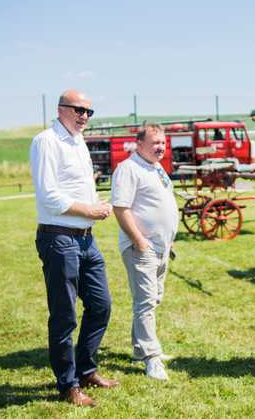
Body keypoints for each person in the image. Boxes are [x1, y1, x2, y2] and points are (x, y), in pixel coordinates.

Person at [30, 89, 118, 407]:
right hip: (59, 238)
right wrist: (90, 210)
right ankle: (68, 385)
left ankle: (86, 370)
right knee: (65, 316)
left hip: (85, 239)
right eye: (78, 110)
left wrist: (95, 206)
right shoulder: (46, 141)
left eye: (88, 112)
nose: (84, 116)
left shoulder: (77, 141)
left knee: (101, 305)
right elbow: (48, 195)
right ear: (61, 109)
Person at [111, 123, 179, 381]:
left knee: (153, 299)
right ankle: (152, 358)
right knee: (146, 302)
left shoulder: (155, 166)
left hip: (161, 246)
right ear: (139, 144)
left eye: (163, 143)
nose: (160, 147)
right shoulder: (128, 169)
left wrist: (169, 240)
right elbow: (120, 208)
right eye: (155, 143)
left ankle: (141, 348)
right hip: (142, 247)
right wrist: (139, 240)